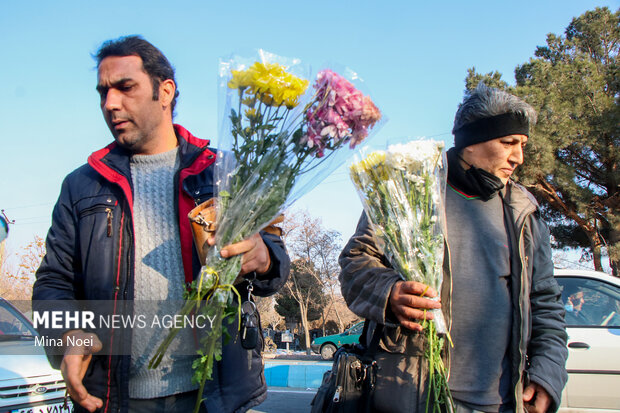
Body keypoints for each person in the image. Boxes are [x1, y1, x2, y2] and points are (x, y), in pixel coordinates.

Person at [32, 35, 290, 413]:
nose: (110, 103)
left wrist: (262, 255)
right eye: (103, 92)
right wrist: (67, 334)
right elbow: (54, 282)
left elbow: (275, 268)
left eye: (125, 87)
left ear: (165, 91)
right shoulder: (81, 185)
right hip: (114, 399)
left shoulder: (223, 172)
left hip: (214, 395)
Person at [339, 84, 568, 412]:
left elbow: (545, 302)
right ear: (473, 141)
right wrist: (389, 294)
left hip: (503, 404)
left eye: (523, 145)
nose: (519, 157)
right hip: (412, 396)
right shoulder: (406, 191)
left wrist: (547, 374)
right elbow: (355, 262)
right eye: (509, 143)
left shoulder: (524, 213)